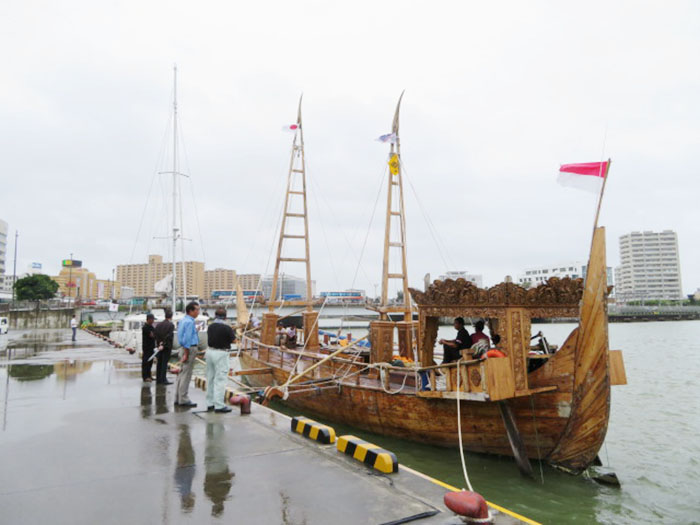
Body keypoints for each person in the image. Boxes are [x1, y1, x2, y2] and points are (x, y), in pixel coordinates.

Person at [206, 307, 235, 413]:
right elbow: (234, 340)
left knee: (210, 378)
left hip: (209, 352)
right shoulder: (227, 327)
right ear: (226, 316)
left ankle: (210, 403)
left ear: (215, 315)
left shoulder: (210, 326)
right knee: (220, 379)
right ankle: (219, 405)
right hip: (221, 353)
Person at [175, 301, 200, 408]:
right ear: (191, 311)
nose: (198, 312)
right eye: (197, 310)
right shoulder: (190, 322)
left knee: (181, 374)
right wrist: (186, 353)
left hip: (183, 348)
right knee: (186, 374)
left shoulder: (183, 320)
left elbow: (183, 336)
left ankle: (178, 397)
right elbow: (187, 339)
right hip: (189, 349)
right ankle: (183, 399)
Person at [154, 309, 175, 385]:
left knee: (159, 362)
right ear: (171, 317)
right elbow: (169, 336)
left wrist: (159, 343)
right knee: (164, 363)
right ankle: (163, 379)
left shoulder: (158, 325)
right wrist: (164, 344)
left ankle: (158, 378)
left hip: (159, 346)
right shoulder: (171, 325)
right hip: (166, 346)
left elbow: (155, 335)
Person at [142, 313, 156, 382]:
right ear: (149, 319)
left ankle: (149, 375)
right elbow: (152, 335)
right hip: (146, 347)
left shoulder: (151, 327)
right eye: (152, 319)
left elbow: (154, 334)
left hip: (151, 347)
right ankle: (145, 376)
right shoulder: (145, 327)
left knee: (150, 362)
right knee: (146, 362)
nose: (153, 321)